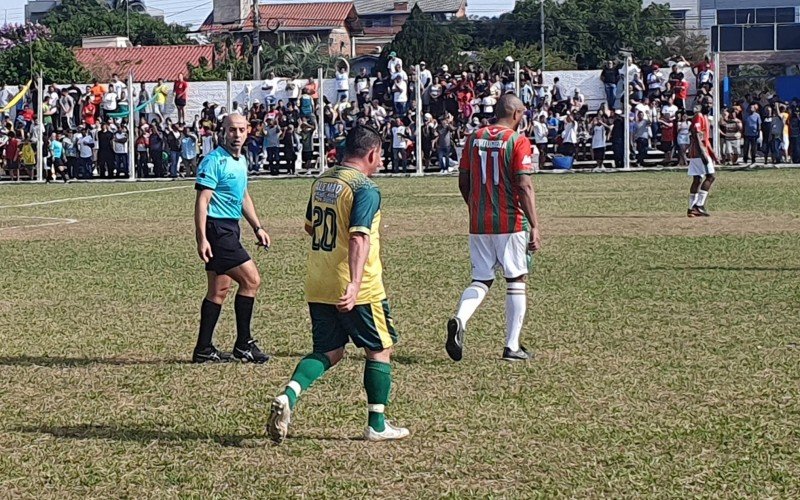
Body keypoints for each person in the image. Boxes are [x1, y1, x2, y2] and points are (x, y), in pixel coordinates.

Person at [267, 124, 409, 444]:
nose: (382, 160)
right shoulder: (365, 188)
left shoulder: (323, 181)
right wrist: (355, 283)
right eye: (381, 154)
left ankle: (289, 395)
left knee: (329, 350)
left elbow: (309, 227)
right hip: (357, 286)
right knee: (380, 348)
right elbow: (359, 236)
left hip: (319, 280)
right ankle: (377, 423)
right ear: (371, 153)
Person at [446, 94, 542, 363]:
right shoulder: (517, 141)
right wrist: (534, 225)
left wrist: (473, 206)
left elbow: (463, 180)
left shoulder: (473, 138)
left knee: (482, 279)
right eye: (522, 114)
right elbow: (524, 185)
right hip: (510, 221)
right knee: (516, 279)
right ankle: (512, 346)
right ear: (515, 114)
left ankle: (460, 318)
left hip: (479, 221)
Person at [193, 114, 272, 364]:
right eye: (231, 130)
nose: (236, 135)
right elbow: (202, 201)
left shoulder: (240, 160)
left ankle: (203, 349)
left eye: (240, 130)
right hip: (218, 230)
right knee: (252, 280)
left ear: (247, 131)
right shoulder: (213, 161)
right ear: (222, 132)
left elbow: (243, 195)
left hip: (230, 227)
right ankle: (243, 345)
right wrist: (202, 238)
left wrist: (257, 227)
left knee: (219, 290)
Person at [687, 104, 718, 218]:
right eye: (707, 102)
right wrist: (703, 153)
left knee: (698, 179)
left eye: (710, 103)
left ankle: (691, 209)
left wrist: (712, 153)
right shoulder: (699, 116)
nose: (709, 105)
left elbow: (705, 139)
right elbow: (696, 135)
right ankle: (698, 205)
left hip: (700, 152)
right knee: (711, 176)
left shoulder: (706, 118)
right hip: (699, 152)